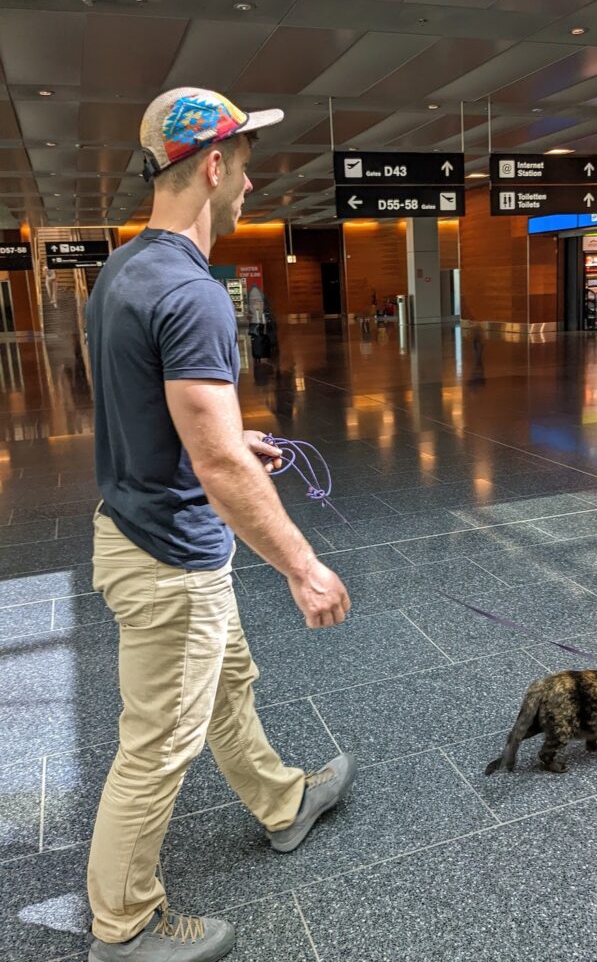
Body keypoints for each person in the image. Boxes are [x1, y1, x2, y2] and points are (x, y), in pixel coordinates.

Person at [85, 87, 354, 962]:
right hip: (171, 559)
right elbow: (216, 468)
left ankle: (281, 801)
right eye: (245, 166)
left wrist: (229, 432)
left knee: (230, 680)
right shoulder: (194, 293)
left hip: (137, 526)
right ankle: (123, 928)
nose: (251, 184)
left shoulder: (123, 271)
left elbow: (151, 411)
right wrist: (303, 566)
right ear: (211, 165)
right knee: (157, 746)